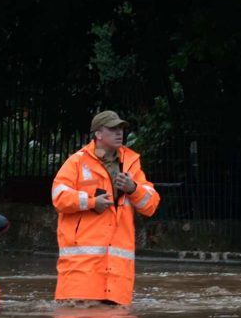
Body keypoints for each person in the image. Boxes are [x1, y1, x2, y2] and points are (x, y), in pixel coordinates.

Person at [50, 110, 160, 305]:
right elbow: (59, 197)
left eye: (121, 129)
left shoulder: (130, 164)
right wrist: (92, 202)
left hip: (117, 280)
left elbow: (150, 205)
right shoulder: (76, 162)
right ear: (98, 134)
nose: (119, 133)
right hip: (81, 277)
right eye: (112, 129)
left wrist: (133, 188)